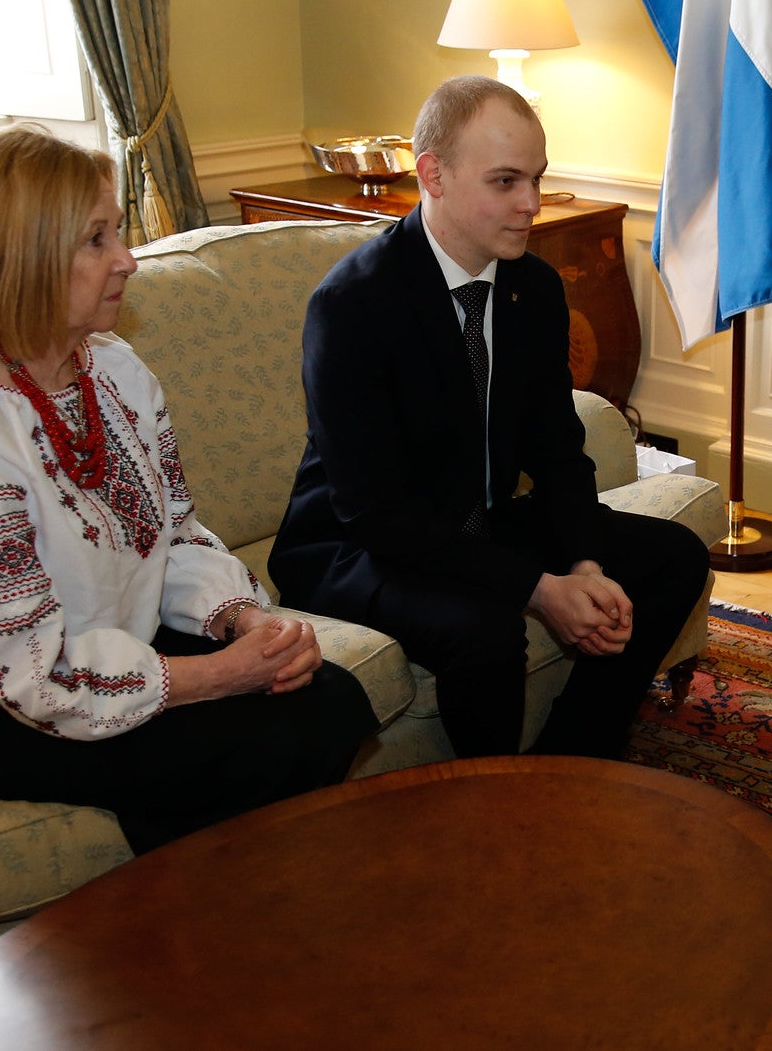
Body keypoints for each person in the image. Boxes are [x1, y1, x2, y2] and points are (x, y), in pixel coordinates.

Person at [0, 124, 379, 854]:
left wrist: (242, 622)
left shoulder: (112, 369)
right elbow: (30, 672)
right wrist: (219, 677)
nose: (128, 260)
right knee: (253, 746)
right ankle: (195, 934)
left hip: (114, 641)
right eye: (96, 239)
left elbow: (173, 531)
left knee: (330, 696)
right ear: (22, 255)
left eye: (119, 232)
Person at [270, 76, 708, 760]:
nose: (530, 203)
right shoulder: (355, 303)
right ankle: (492, 812)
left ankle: (572, 756)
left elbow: (559, 451)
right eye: (505, 181)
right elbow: (374, 512)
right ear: (433, 175)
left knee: (672, 555)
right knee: (485, 627)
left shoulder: (531, 288)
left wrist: (584, 562)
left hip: (479, 517)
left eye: (535, 178)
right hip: (354, 544)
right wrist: (540, 587)